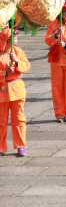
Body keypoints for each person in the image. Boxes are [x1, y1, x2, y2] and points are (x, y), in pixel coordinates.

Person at [0, 25, 30, 156]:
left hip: (17, 90)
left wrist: (17, 63)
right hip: (2, 91)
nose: (16, 38)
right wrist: (4, 73)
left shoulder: (17, 51)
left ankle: (21, 145)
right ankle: (1, 146)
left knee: (19, 119)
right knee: (1, 121)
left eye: (16, 35)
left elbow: (26, 66)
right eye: (13, 36)